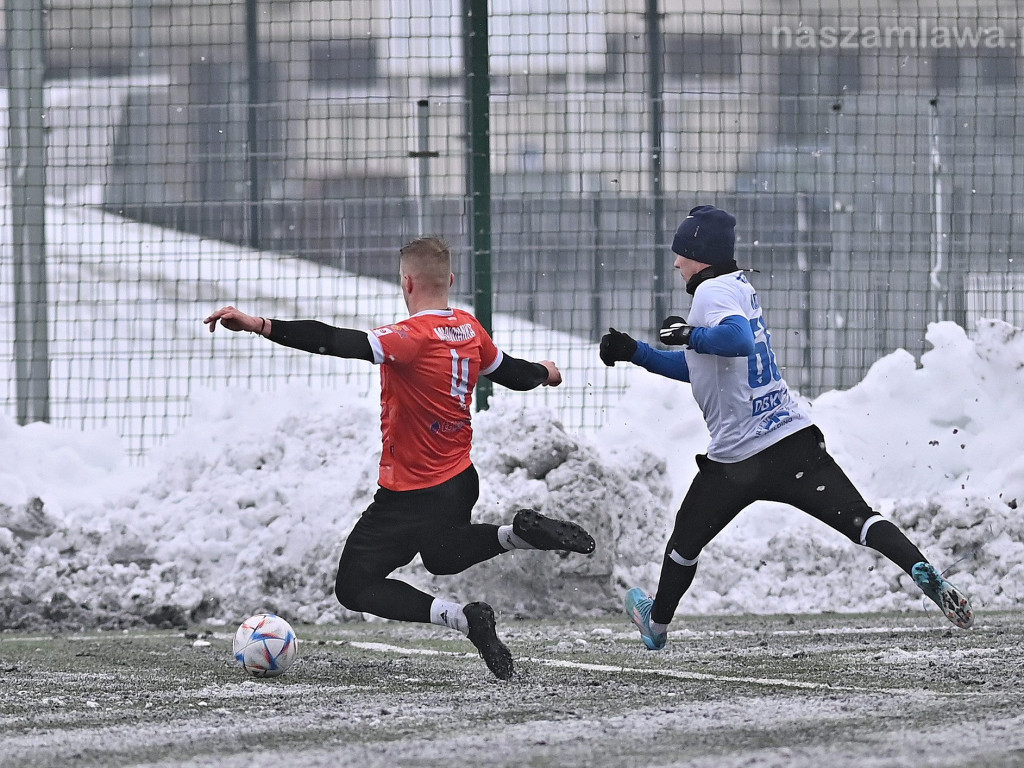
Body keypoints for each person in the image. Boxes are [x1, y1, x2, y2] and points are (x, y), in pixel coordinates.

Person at [205, 236, 595, 679]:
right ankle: (518, 534)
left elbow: (334, 339)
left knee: (354, 586)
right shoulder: (469, 330)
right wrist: (546, 372)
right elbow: (514, 374)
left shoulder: (409, 337)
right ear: (448, 279)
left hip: (411, 493)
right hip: (460, 479)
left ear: (406, 282)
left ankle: (465, 619)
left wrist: (259, 323)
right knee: (443, 556)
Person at [599, 205, 974, 651]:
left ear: (697, 253)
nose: (676, 263)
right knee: (861, 520)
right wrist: (636, 352)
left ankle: (655, 626)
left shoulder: (710, 294)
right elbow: (704, 367)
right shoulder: (738, 286)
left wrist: (688, 335)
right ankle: (921, 570)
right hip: (793, 441)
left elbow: (733, 341)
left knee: (684, 543)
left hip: (738, 461)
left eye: (680, 254)